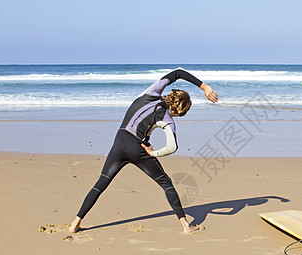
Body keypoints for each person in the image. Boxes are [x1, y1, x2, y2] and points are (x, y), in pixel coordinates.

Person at [69, 68, 218, 234]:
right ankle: (185, 226)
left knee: (101, 183)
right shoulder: (168, 119)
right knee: (166, 183)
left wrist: (203, 86)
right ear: (181, 111)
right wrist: (153, 153)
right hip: (138, 149)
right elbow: (172, 147)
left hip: (119, 142)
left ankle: (75, 223)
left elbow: (177, 73)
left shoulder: (151, 92)